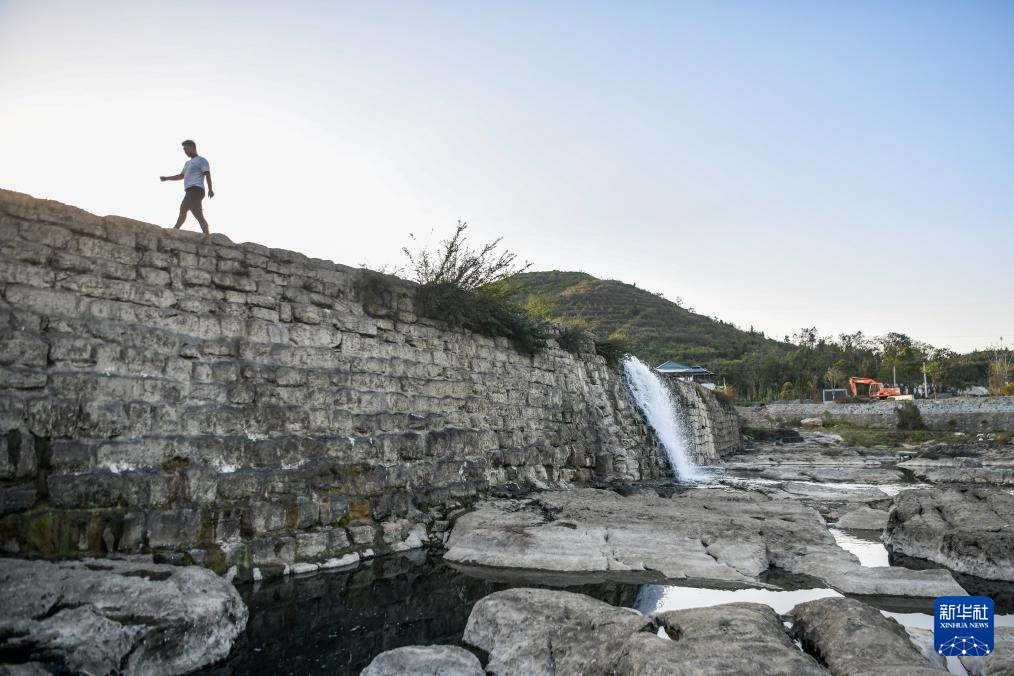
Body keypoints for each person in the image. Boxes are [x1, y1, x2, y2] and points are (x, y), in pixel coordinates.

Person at [160, 139, 214, 233]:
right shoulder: (187, 163)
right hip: (189, 190)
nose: (185, 151)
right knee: (198, 214)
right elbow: (181, 176)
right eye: (184, 150)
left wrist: (210, 189)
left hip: (196, 190)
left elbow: (207, 174)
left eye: (186, 149)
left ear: (193, 148)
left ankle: (175, 230)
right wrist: (167, 178)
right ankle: (206, 233)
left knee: (183, 207)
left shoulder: (202, 160)